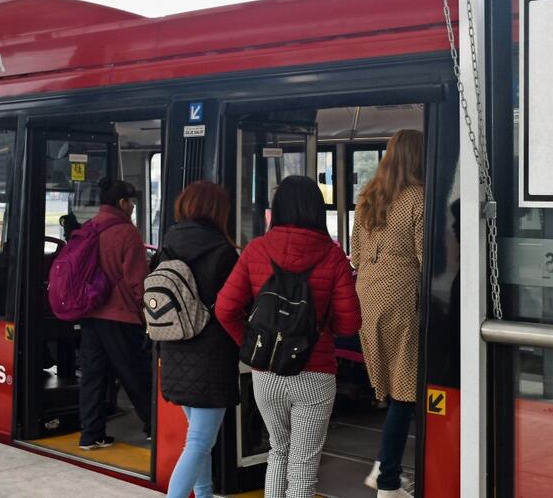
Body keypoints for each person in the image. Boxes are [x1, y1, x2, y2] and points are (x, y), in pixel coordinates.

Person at [216, 175, 361, 498]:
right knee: (304, 467)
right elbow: (350, 324)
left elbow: (225, 309)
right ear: (316, 210)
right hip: (315, 372)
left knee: (278, 451)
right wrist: (322, 329)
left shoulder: (256, 250)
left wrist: (250, 342)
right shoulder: (333, 255)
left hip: (266, 372)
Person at [351, 129, 424, 498]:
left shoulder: (367, 197)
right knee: (407, 391)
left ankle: (385, 468)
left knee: (396, 388)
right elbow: (427, 258)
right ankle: (388, 479)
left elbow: (355, 256)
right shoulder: (417, 198)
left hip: (368, 296)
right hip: (402, 298)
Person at [159, 181, 240, 498]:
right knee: (199, 442)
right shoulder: (222, 254)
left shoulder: (167, 245)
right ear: (219, 212)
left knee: (199, 439)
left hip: (175, 352)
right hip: (210, 359)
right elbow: (233, 308)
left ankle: (204, 495)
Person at [78, 177, 152, 450]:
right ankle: (153, 426)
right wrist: (147, 314)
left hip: (90, 314)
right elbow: (137, 281)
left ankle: (91, 434)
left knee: (93, 375)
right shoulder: (126, 232)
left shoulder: (91, 227)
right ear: (122, 202)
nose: (133, 206)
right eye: (131, 202)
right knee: (136, 373)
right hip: (120, 316)